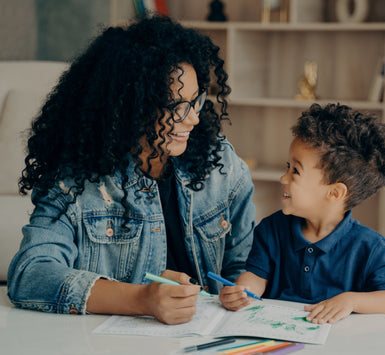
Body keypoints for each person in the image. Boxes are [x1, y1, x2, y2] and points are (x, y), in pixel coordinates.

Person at [7, 16, 256, 325]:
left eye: (195, 101)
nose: (192, 118)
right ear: (131, 108)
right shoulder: (76, 183)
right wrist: (141, 300)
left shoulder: (222, 167)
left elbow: (246, 266)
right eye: (176, 106)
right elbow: (31, 274)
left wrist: (239, 292)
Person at [219, 103, 385, 324]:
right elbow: (256, 276)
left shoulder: (370, 247)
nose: (283, 178)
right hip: (278, 333)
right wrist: (242, 291)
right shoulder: (272, 229)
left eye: (296, 171)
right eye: (287, 166)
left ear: (335, 193)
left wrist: (351, 300)